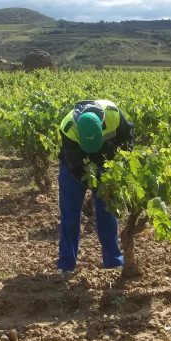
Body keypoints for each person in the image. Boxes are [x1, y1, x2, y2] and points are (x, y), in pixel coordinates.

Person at [57, 99, 134, 275]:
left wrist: (120, 167)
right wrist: (95, 185)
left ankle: (113, 261)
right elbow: (75, 167)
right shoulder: (68, 127)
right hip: (74, 169)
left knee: (107, 213)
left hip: (107, 165)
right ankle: (66, 265)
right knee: (70, 214)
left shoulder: (113, 113)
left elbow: (127, 137)